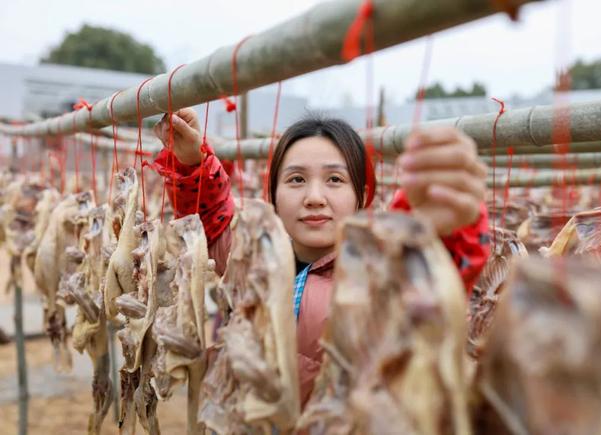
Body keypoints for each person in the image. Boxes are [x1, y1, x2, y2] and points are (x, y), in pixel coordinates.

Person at [153, 108, 490, 407]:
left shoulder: (380, 277)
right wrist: (191, 161)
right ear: (274, 195)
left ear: (361, 196)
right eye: (297, 179)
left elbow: (433, 295)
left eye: (334, 180)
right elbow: (208, 216)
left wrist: (446, 227)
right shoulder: (248, 258)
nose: (315, 197)